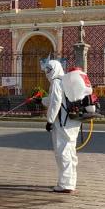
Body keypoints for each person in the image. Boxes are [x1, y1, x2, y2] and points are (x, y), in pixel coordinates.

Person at [42, 60, 81, 194]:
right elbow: (53, 100)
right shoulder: (64, 81)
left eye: (49, 70)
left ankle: (65, 185)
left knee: (62, 152)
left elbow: (56, 102)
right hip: (73, 121)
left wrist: (49, 121)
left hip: (62, 123)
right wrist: (41, 100)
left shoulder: (56, 82)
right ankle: (70, 181)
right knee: (70, 151)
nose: (47, 73)